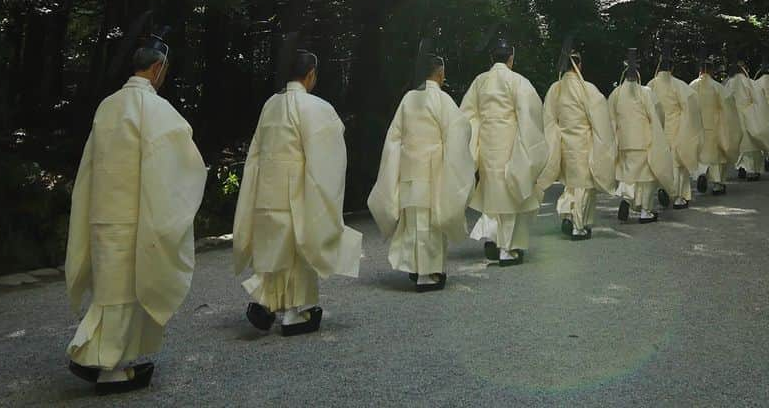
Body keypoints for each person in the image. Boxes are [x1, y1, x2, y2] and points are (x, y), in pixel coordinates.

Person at [65, 30, 207, 394]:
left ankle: (108, 359)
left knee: (110, 291)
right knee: (124, 295)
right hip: (133, 218)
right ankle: (99, 362)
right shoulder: (156, 109)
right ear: (158, 67)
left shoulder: (107, 106)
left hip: (102, 213)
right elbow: (179, 166)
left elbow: (88, 165)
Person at [233, 41, 362, 335]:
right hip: (296, 191)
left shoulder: (270, 105)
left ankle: (266, 302)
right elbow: (327, 155)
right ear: (311, 75)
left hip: (267, 190)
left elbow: (255, 153)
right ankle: (293, 313)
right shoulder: (314, 106)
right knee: (299, 251)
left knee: (274, 249)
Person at [367, 41, 474, 291]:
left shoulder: (407, 99)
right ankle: (429, 274)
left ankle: (416, 268)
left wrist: (393, 171)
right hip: (433, 170)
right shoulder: (442, 99)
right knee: (430, 224)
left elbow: (393, 138)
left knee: (413, 222)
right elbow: (460, 132)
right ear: (439, 73)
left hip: (409, 170)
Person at [461, 34, 548, 266]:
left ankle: (491, 236)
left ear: (492, 57)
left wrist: (472, 148)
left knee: (492, 194)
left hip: (488, 146)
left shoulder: (479, 81)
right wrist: (528, 148)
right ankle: (506, 250)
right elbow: (529, 116)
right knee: (510, 197)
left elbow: (468, 116)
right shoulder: (518, 81)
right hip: (510, 144)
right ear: (511, 58)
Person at [537, 38, 616, 240]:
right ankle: (578, 226)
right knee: (584, 187)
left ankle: (568, 214)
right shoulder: (587, 89)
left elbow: (548, 119)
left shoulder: (555, 89)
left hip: (564, 143)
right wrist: (603, 146)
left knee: (571, 184)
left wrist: (553, 142)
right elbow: (599, 120)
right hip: (583, 144)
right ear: (579, 64)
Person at [608, 48, 675, 222]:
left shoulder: (616, 94)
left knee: (628, 174)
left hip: (624, 141)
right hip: (644, 140)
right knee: (647, 177)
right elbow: (658, 114)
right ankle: (646, 211)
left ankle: (627, 198)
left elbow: (610, 118)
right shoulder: (645, 92)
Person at [647, 49, 703, 209]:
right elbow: (691, 106)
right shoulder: (679, 85)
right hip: (676, 127)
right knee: (679, 164)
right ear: (672, 69)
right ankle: (678, 197)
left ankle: (664, 189)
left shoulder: (651, 85)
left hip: (657, 128)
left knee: (660, 161)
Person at [690, 55, 741, 196]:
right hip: (714, 125)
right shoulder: (717, 87)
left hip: (696, 127)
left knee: (700, 154)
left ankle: (701, 174)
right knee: (716, 156)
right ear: (711, 71)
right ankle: (717, 184)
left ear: (700, 70)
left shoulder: (691, 86)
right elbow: (728, 105)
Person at [724, 60, 769, 181]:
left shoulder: (728, 83)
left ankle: (741, 167)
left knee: (738, 143)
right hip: (749, 115)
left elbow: (725, 99)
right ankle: (752, 171)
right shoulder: (749, 82)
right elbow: (759, 100)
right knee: (751, 144)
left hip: (734, 116)